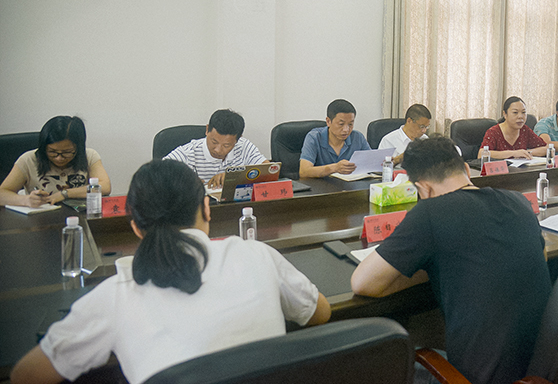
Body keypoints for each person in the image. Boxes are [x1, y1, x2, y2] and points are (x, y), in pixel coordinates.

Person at [10, 159, 330, 384]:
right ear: (206, 208)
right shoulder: (256, 253)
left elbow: (25, 375)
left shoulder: (117, 294)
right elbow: (319, 313)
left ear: (136, 227)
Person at [351, 137, 551, 384]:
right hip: (540, 371)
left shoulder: (430, 212)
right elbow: (541, 255)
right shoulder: (518, 201)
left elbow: (363, 283)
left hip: (473, 378)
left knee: (385, 363)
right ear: (466, 169)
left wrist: (432, 267)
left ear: (423, 189)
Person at [0, 116, 111, 208]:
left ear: (78, 148)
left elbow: (105, 187)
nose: (59, 158)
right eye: (52, 152)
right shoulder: (28, 160)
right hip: (41, 220)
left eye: (67, 152)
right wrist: (26, 200)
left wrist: (65, 194)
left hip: (80, 217)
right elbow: (2, 194)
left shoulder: (89, 156)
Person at [163, 109, 267, 189]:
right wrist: (185, 183)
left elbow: (268, 171)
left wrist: (233, 178)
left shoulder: (244, 146)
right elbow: (158, 176)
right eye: (214, 142)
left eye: (226, 145)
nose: (218, 150)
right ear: (207, 130)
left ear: (238, 139)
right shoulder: (188, 153)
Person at [299, 99, 372, 178]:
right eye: (341, 124)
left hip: (350, 184)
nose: (346, 129)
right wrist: (335, 168)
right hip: (323, 185)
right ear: (328, 121)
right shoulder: (314, 137)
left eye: (350, 124)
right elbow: (304, 172)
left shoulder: (358, 137)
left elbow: (372, 164)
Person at [481, 96, 547, 159]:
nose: (520, 116)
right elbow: (481, 154)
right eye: (515, 112)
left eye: (523, 112)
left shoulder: (524, 130)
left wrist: (526, 153)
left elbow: (545, 148)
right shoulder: (494, 132)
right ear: (505, 114)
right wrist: (513, 153)